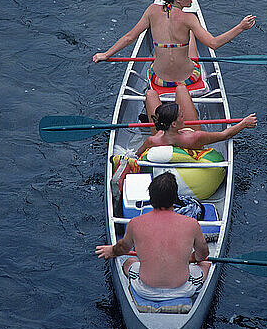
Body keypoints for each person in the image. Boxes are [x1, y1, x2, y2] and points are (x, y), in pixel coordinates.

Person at [93, 0, 256, 87]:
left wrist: (106, 54)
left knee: (160, 49)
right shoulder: (190, 18)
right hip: (188, 79)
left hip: (158, 79)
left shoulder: (151, 11)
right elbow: (213, 44)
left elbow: (129, 37)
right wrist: (240, 27)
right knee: (191, 34)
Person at [95, 172, 211, 300]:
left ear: (151, 197)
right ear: (174, 199)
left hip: (144, 290)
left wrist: (111, 250)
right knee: (206, 264)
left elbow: (123, 248)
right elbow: (202, 255)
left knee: (129, 262)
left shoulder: (135, 223)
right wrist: (189, 258)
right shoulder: (192, 224)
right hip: (183, 289)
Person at [135, 83, 257, 157]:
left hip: (165, 137)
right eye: (181, 115)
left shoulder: (152, 140)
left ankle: (156, 109)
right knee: (181, 88)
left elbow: (137, 155)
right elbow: (224, 135)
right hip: (186, 141)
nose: (183, 115)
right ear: (173, 123)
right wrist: (244, 123)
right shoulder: (195, 137)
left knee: (150, 94)